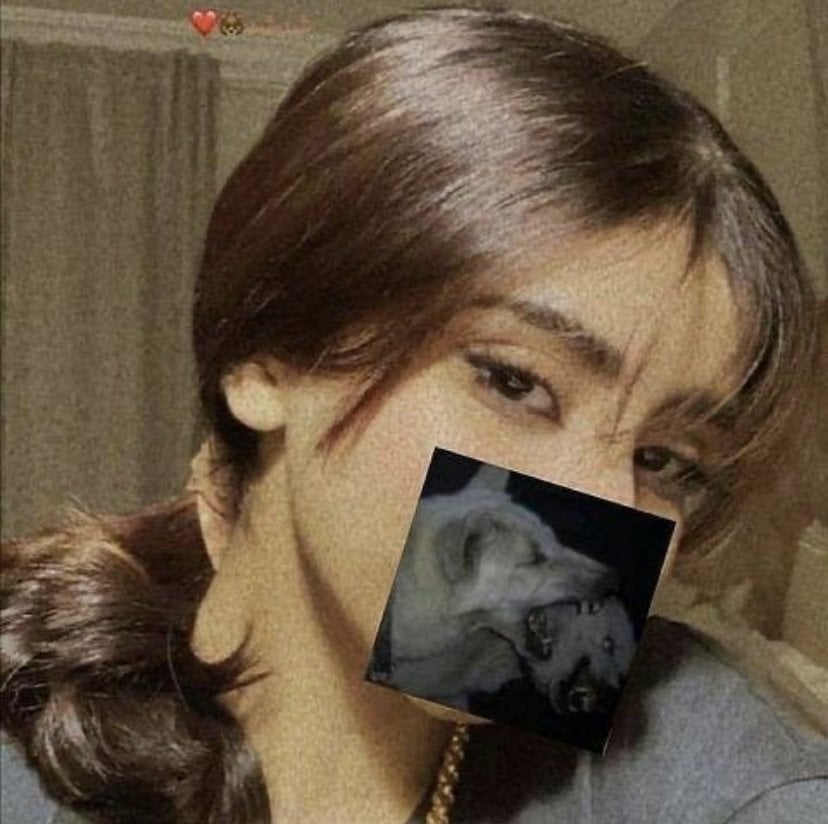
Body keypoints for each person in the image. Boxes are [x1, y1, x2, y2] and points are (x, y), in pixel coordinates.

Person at [2, 6, 826, 823]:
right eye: (514, 382)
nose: (601, 521)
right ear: (270, 354)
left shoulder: (701, 764)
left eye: (664, 460)